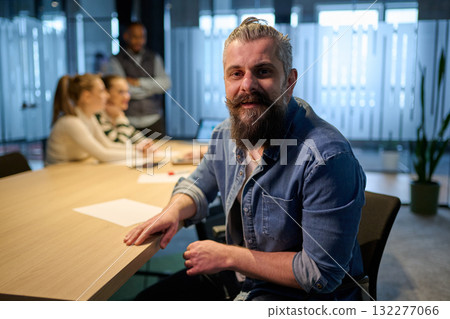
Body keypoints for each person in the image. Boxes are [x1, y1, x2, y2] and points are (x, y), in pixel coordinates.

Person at [124, 18, 367, 301]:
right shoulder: (225, 133)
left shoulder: (327, 157)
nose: (247, 85)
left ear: (289, 81)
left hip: (298, 295)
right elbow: (201, 182)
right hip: (243, 277)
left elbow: (320, 273)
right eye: (236, 74)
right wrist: (174, 210)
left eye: (262, 71)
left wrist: (229, 256)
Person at [46, 74, 137, 165]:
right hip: (59, 173)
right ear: (87, 96)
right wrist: (140, 154)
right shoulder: (71, 122)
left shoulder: (89, 117)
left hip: (74, 169)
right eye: (102, 91)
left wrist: (136, 148)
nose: (107, 95)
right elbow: (103, 154)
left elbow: (107, 145)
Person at [104, 22, 171, 134]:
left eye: (142, 37)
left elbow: (165, 84)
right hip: (129, 119)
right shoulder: (116, 60)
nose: (139, 41)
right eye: (135, 37)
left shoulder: (154, 57)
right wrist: (151, 89)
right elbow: (120, 90)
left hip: (154, 119)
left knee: (160, 151)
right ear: (126, 36)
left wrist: (139, 82)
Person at [96, 75, 153, 148]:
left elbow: (137, 137)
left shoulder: (115, 114)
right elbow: (120, 144)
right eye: (121, 92)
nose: (127, 96)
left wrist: (146, 144)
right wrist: (120, 118)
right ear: (106, 93)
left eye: (127, 92)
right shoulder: (99, 116)